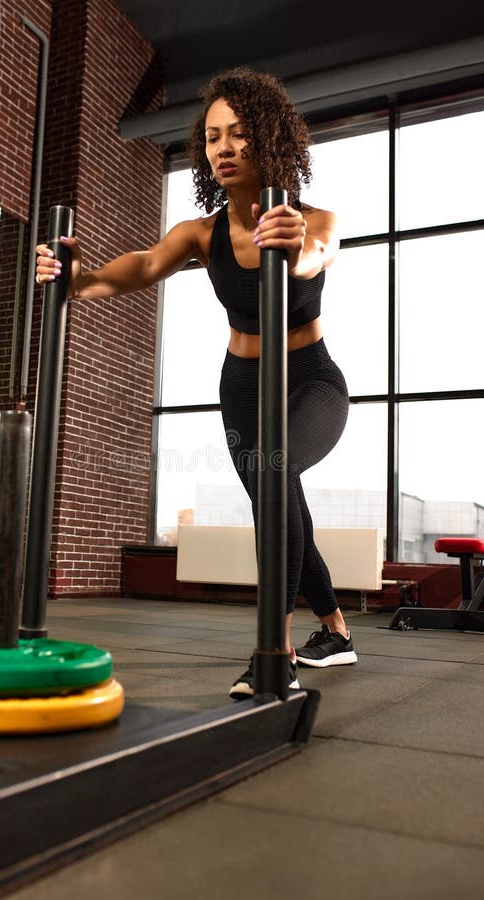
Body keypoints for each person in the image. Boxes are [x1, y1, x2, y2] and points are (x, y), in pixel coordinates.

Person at [35, 66, 358, 699]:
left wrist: (294, 248)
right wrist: (77, 279)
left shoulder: (314, 220)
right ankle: (337, 633)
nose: (225, 149)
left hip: (311, 382)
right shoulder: (198, 234)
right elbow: (137, 267)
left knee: (274, 481)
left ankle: (278, 648)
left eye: (240, 133)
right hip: (241, 384)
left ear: (272, 139)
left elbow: (317, 252)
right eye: (213, 138)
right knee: (280, 498)